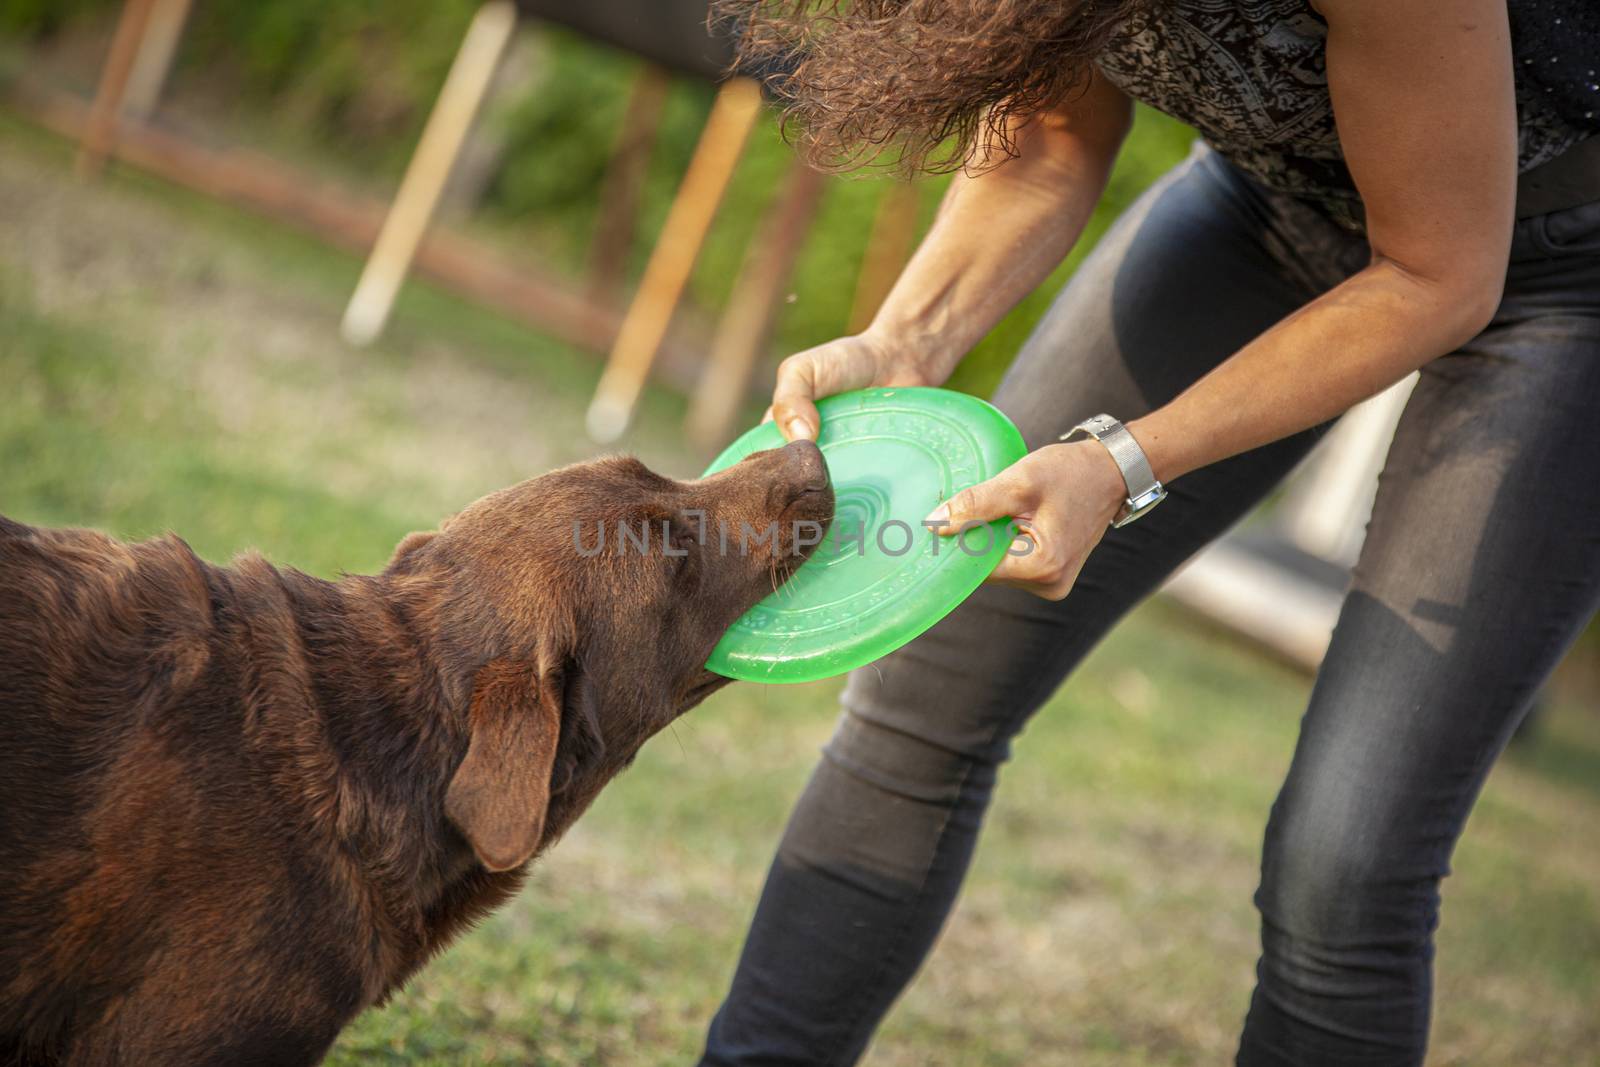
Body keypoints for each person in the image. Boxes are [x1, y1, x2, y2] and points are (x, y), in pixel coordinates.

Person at [696, 1, 1600, 1064]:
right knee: (925, 686)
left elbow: (1436, 275)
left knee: (1342, 861)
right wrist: (907, 339)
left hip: (1561, 275)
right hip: (1262, 205)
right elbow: (1049, 134)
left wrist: (1123, 459)